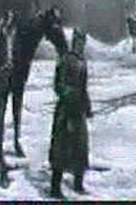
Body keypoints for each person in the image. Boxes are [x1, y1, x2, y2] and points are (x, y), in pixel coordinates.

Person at [49, 28, 93, 198]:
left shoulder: (83, 62)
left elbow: (84, 88)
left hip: (78, 110)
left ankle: (78, 183)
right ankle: (55, 187)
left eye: (83, 42)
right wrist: (68, 95)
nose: (80, 45)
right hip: (65, 111)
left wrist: (87, 107)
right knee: (61, 148)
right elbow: (58, 85)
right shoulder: (65, 60)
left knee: (80, 147)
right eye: (78, 41)